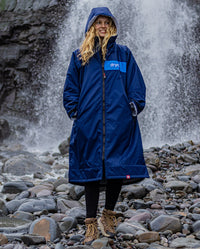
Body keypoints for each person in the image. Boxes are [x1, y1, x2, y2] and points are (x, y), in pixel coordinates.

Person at [63, 7, 149, 245]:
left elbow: (136, 85)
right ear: (91, 26)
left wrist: (133, 107)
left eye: (106, 22)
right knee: (91, 169)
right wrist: (75, 112)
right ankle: (90, 223)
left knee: (116, 168)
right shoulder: (80, 56)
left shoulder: (123, 55)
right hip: (89, 123)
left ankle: (108, 215)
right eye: (98, 22)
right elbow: (70, 88)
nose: (102, 25)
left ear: (111, 26)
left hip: (119, 122)